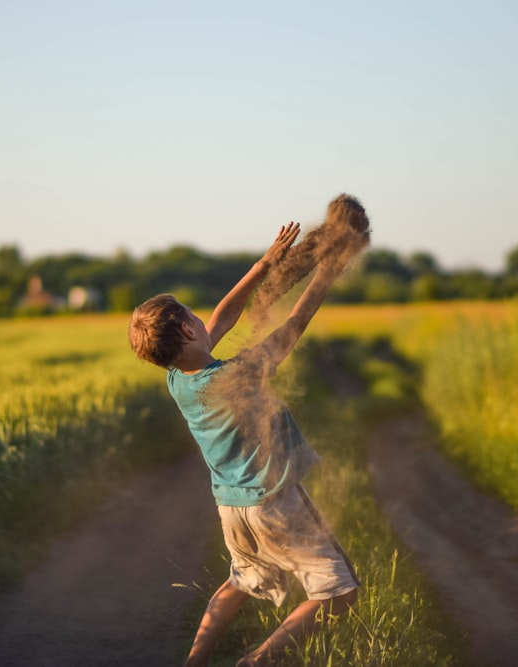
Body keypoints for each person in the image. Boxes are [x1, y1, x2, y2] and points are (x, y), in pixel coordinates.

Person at [128, 196, 371, 666]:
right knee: (339, 592)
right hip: (273, 501)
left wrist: (266, 263)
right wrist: (326, 270)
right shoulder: (234, 376)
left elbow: (222, 315)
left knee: (241, 580)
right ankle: (259, 660)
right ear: (185, 333)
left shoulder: (179, 377)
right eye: (193, 318)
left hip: (231, 509)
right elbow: (293, 325)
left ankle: (193, 662)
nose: (203, 319)